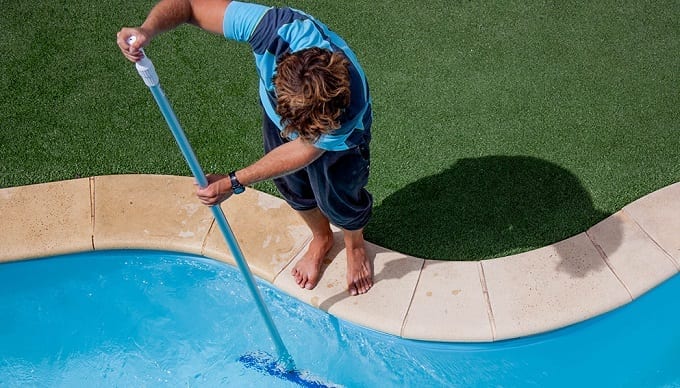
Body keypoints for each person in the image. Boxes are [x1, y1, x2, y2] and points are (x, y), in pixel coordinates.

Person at [117, 0, 374, 295]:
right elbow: (188, 5)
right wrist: (146, 29)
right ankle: (321, 238)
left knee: (340, 201)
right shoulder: (272, 30)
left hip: (340, 142)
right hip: (282, 112)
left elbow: (304, 150)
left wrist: (233, 181)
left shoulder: (347, 106)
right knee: (294, 188)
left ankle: (355, 245)